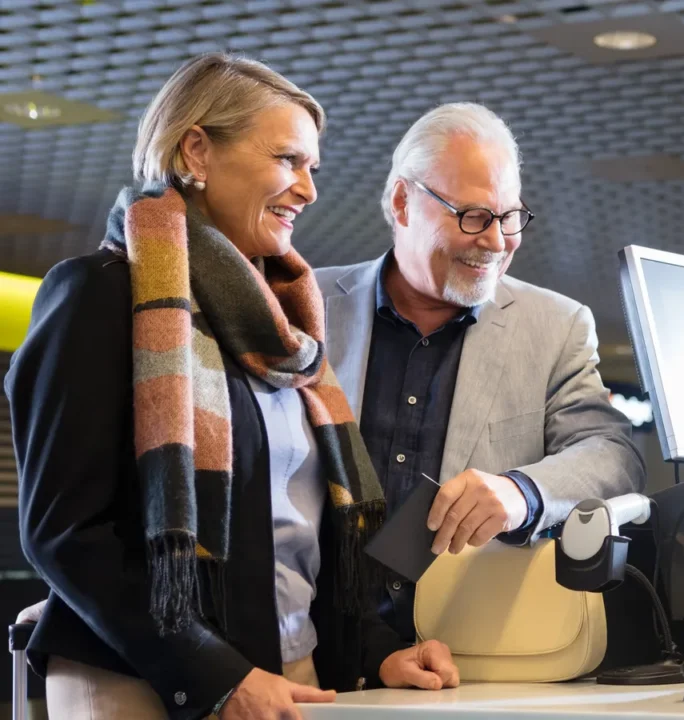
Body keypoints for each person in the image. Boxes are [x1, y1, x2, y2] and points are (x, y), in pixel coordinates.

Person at [7, 53, 459, 720]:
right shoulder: (99, 295)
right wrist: (216, 674)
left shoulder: (285, 326)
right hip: (149, 680)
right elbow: (63, 533)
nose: (307, 189)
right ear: (197, 150)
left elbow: (293, 531)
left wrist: (375, 651)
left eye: (312, 168)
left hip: (285, 670)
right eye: (287, 160)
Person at [316, 102, 645, 641]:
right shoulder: (303, 306)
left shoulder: (556, 326)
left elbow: (614, 455)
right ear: (403, 202)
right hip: (313, 655)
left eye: (509, 216)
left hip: (468, 657)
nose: (495, 241)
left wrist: (523, 493)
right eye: (472, 216)